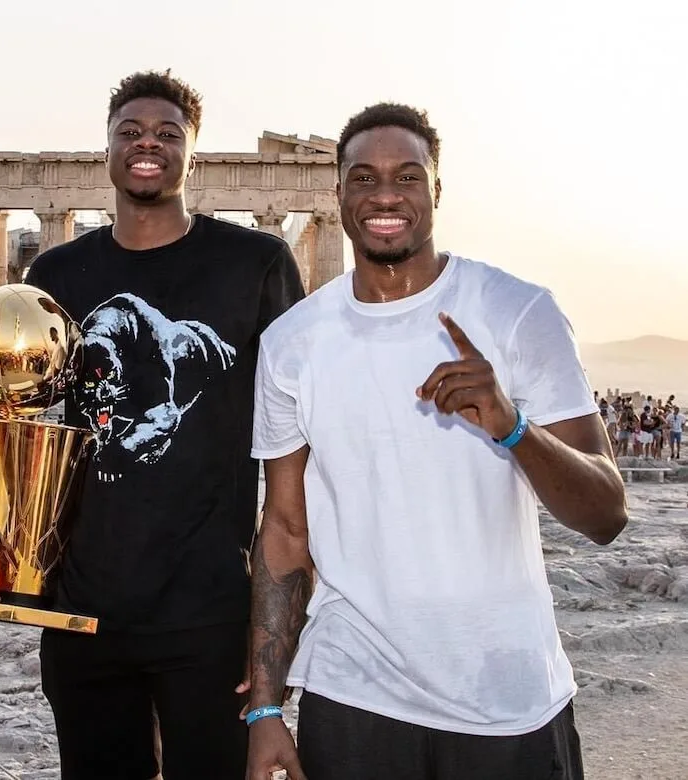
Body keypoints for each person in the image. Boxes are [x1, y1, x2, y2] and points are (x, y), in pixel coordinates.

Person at [0, 70, 304, 779]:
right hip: (84, 605)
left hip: (209, 610)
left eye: (166, 133)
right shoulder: (58, 272)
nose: (147, 145)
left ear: (194, 153)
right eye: (130, 132)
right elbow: (9, 419)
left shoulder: (256, 263)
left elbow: (300, 437)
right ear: (106, 150)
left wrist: (282, 620)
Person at [245, 103, 628, 780]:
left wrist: (513, 428)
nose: (385, 194)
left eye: (407, 176)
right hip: (352, 696)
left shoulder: (518, 311)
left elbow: (606, 514)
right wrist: (265, 709)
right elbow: (282, 530)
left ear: (437, 190)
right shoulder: (291, 345)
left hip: (506, 698)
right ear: (337, 194)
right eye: (362, 177)